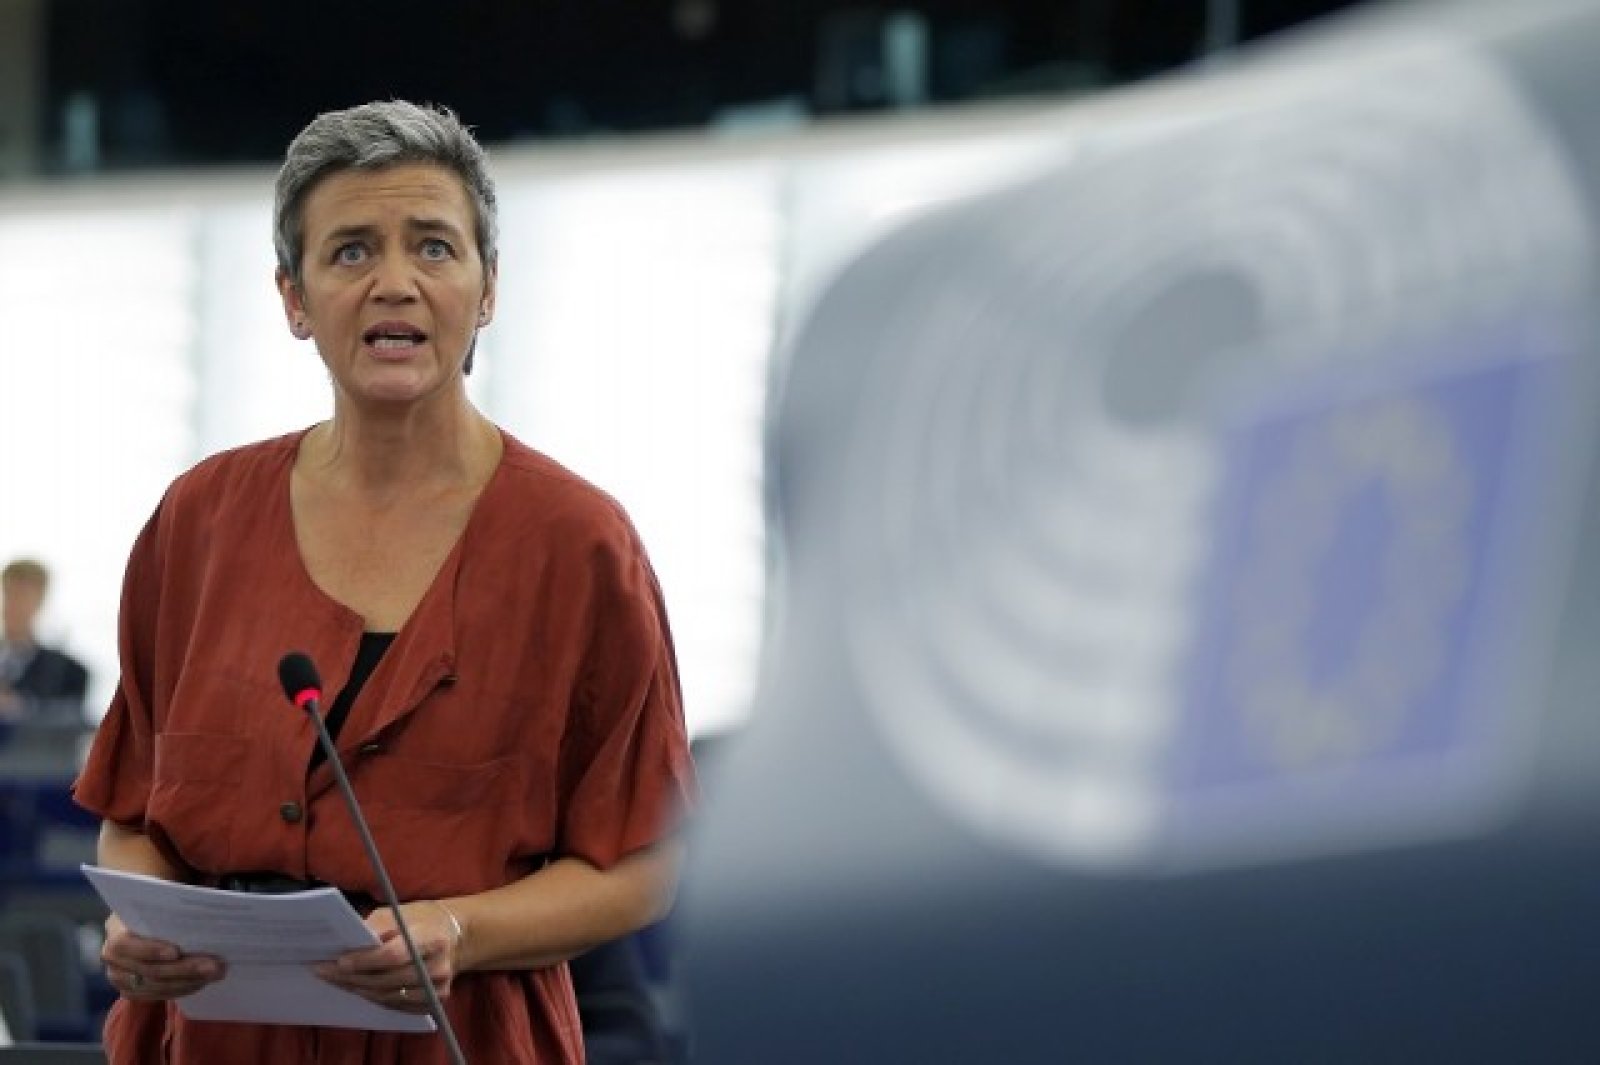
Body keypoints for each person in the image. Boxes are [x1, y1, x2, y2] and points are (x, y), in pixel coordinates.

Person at [71, 99, 697, 1065]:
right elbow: (133, 817)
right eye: (351, 251)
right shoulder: (198, 520)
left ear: (488, 289)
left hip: (462, 1033)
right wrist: (136, 924)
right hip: (209, 1037)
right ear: (294, 297)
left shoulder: (581, 545)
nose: (394, 283)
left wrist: (460, 928)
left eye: (435, 248)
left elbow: (646, 862)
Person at [0, 558, 90, 724]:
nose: (14, 604)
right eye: (9, 594)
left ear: (39, 602)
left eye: (23, 596)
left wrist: (22, 708)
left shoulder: (69, 672)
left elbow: (71, 720)